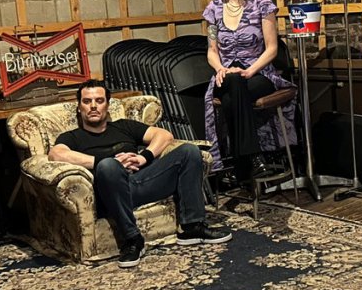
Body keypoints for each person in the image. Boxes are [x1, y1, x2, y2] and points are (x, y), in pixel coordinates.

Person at [50, 80, 231, 268]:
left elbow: (164, 135)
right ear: (79, 107)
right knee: (108, 166)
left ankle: (192, 227)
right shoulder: (72, 137)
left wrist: (144, 157)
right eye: (87, 101)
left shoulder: (123, 126)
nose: (93, 106)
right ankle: (132, 240)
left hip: (142, 182)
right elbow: (56, 154)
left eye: (99, 100)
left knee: (189, 151)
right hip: (110, 193)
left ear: (107, 105)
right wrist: (105, 161)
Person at [202, 0, 296, 182]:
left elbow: (272, 48)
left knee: (233, 95)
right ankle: (254, 159)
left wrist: (250, 70)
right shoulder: (214, 9)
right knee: (233, 82)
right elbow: (212, 51)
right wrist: (220, 69)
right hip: (226, 75)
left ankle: (241, 164)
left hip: (258, 72)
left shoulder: (261, 4)